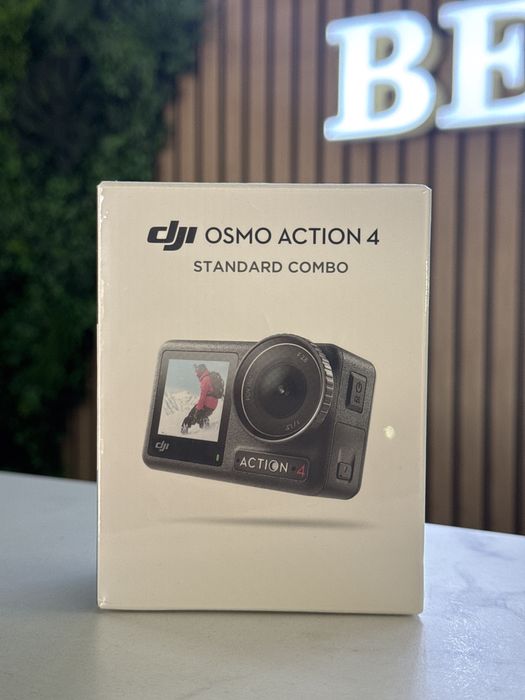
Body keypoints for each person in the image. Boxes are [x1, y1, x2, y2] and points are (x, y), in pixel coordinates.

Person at [181, 364, 219, 433]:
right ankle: (206, 427)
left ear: (201, 371)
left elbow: (202, 396)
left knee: (191, 415)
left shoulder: (205, 380)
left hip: (207, 404)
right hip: (213, 405)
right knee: (200, 416)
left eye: (197, 372)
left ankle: (183, 431)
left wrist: (198, 408)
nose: (196, 374)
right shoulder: (210, 378)